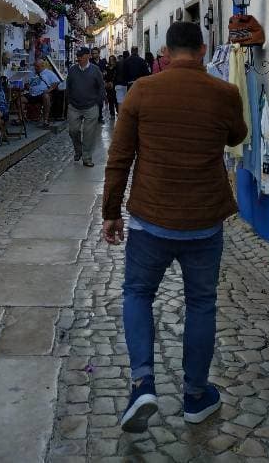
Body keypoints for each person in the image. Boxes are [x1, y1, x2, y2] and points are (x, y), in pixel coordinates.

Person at [102, 22, 247, 433]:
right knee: (201, 304)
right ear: (203, 49)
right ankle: (196, 395)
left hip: (151, 220)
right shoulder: (225, 93)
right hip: (203, 223)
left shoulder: (142, 92)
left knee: (137, 294)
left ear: (165, 52)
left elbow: (119, 157)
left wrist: (111, 211)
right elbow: (239, 134)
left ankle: (143, 382)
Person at [66, 46, 105, 167]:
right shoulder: (72, 70)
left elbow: (101, 87)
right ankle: (78, 150)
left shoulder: (95, 70)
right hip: (74, 106)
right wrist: (70, 101)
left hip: (91, 106)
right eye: (77, 57)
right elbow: (68, 86)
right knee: (73, 130)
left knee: (88, 133)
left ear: (87, 56)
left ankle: (87, 157)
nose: (78, 59)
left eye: (81, 56)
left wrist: (98, 102)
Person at [26, 58, 59, 127]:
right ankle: (20, 118)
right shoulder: (33, 74)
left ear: (42, 66)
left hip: (41, 94)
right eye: (35, 66)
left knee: (46, 97)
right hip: (32, 94)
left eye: (37, 66)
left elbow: (56, 82)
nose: (35, 68)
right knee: (20, 99)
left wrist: (49, 90)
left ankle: (45, 120)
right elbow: (28, 83)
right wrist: (27, 85)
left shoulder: (49, 73)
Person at [91, 48, 108, 123]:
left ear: (98, 53)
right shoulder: (90, 62)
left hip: (101, 84)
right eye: (93, 53)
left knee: (100, 101)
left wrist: (104, 73)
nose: (94, 55)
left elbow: (105, 70)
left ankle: (100, 117)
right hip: (92, 84)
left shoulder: (102, 62)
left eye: (95, 53)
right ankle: (93, 116)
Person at [104, 54, 119, 120]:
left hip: (115, 86)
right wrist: (106, 83)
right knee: (110, 100)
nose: (111, 61)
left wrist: (113, 83)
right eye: (110, 60)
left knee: (116, 100)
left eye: (112, 60)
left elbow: (117, 77)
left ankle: (118, 112)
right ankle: (112, 114)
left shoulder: (117, 68)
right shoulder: (107, 68)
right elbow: (105, 76)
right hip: (108, 86)